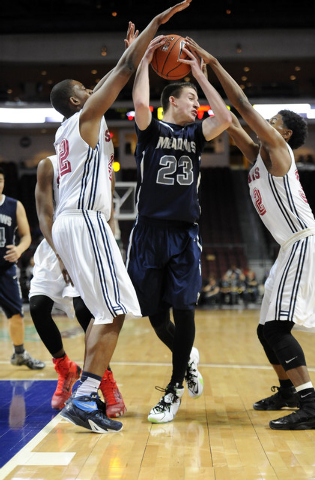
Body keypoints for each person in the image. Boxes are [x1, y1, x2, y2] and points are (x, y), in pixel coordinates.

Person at [49, 0, 193, 434]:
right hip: (84, 221)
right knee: (115, 311)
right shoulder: (84, 116)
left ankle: (87, 395)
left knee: (102, 312)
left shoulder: (71, 129)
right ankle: (86, 396)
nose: (93, 86)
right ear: (77, 99)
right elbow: (124, 70)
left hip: (72, 222)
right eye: (85, 85)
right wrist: (154, 28)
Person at [186, 37, 315, 430]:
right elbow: (228, 117)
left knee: (277, 328)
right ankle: (288, 390)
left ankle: (312, 405)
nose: (268, 123)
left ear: (286, 134)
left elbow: (242, 105)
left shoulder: (278, 149)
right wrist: (200, 78)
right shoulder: (258, 155)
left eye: (274, 121)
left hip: (302, 243)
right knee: (266, 330)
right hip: (288, 247)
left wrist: (211, 61)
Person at [125, 37, 231, 424]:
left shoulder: (196, 137)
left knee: (184, 310)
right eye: (190, 98)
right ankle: (188, 360)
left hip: (185, 233)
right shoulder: (151, 130)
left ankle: (171, 390)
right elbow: (139, 103)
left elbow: (225, 119)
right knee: (154, 316)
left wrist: (201, 77)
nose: (195, 105)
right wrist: (143, 60)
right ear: (172, 100)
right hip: (148, 233)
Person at [29, 154, 126, 417]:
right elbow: (44, 214)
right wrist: (60, 254)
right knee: (37, 307)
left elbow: (109, 212)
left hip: (88, 242)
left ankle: (106, 381)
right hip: (55, 242)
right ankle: (66, 369)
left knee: (86, 313)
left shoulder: (101, 163)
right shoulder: (49, 164)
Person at [0, 167, 45, 371]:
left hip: (6, 269)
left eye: (0, 180)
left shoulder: (13, 205)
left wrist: (18, 249)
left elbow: (26, 236)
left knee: (16, 314)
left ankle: (19, 354)